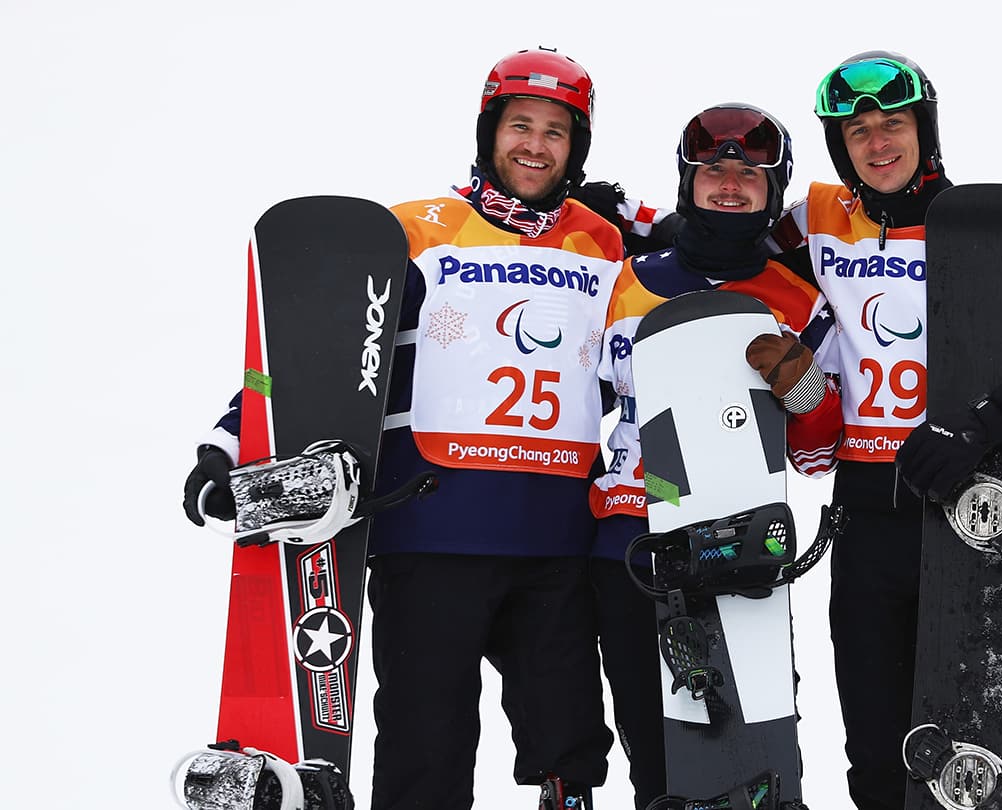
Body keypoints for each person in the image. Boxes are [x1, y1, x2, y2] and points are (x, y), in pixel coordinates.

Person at [182, 47, 622, 810]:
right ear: (489, 132)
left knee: (569, 735)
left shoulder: (603, 241)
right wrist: (225, 444)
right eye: (520, 124)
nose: (535, 145)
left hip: (556, 535)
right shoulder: (418, 230)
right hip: (431, 525)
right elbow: (317, 348)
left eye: (557, 131)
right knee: (426, 737)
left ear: (575, 149)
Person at [758, 51, 1002, 810]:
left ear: (924, 129)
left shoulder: (997, 233)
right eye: (856, 130)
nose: (876, 142)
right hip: (866, 519)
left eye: (892, 123)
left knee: (990, 745)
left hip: (968, 515)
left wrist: (982, 426)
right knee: (879, 754)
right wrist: (621, 220)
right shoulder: (817, 224)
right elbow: (719, 234)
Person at [586, 103, 837, 809]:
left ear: (774, 188)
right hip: (631, 541)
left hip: (741, 544)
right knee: (659, 754)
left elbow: (818, 455)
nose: (731, 184)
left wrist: (805, 385)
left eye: (750, 174)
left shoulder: (795, 299)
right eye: (714, 170)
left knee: (748, 746)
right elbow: (577, 409)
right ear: (687, 181)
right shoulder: (622, 282)